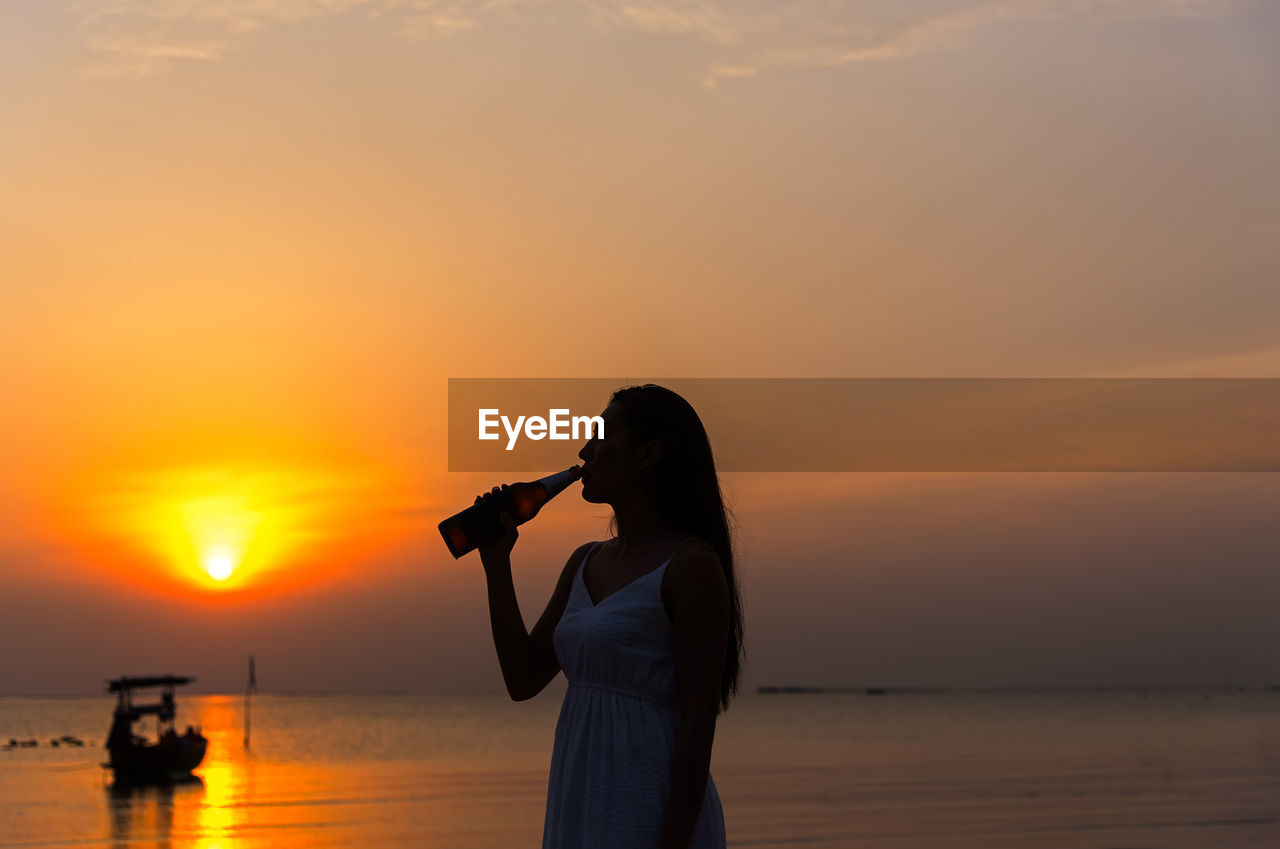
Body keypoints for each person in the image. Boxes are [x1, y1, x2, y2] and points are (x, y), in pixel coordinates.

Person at [476, 384, 744, 849]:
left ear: (649, 454)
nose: (584, 451)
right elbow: (522, 680)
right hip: (581, 803)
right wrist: (497, 565)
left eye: (601, 435)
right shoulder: (584, 562)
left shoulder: (690, 565)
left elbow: (699, 721)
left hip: (652, 812)